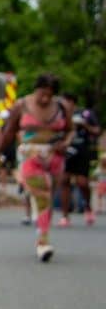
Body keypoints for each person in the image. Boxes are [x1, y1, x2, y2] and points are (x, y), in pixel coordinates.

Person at [0, 73, 74, 261]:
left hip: (55, 156)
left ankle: (42, 231)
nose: (45, 99)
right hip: (31, 155)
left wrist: (65, 142)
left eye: (49, 95)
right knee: (42, 195)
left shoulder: (61, 107)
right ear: (35, 90)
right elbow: (9, 132)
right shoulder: (22, 105)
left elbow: (70, 130)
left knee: (48, 198)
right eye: (42, 94)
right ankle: (43, 242)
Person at [58, 93, 100, 226]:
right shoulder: (59, 114)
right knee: (64, 181)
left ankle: (88, 207)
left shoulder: (85, 114)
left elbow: (97, 131)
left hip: (82, 151)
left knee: (82, 182)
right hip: (66, 151)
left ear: (72, 102)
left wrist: (85, 125)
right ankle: (65, 215)